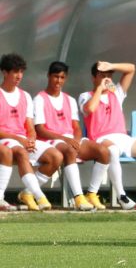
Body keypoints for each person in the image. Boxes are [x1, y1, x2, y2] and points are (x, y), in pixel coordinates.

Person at [79, 61, 136, 210]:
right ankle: (122, 196)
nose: (106, 79)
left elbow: (131, 68)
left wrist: (111, 66)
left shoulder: (116, 93)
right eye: (102, 76)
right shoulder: (86, 96)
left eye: (109, 76)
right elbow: (90, 109)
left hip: (123, 137)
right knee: (112, 151)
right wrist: (99, 88)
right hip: (101, 139)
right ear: (94, 78)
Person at [34, 61, 111, 211]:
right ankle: (78, 198)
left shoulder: (69, 99)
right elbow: (40, 130)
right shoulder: (40, 98)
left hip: (69, 139)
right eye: (56, 77)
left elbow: (76, 126)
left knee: (103, 151)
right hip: (51, 141)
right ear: (48, 76)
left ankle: (92, 194)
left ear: (66, 79)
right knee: (69, 150)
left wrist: (75, 139)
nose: (58, 81)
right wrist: (66, 140)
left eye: (62, 77)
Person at [0, 53, 58, 211]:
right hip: (5, 140)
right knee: (20, 151)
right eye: (15, 72)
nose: (19, 76)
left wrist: (31, 139)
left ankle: (27, 194)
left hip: (21, 140)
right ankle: (39, 196)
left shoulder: (25, 96)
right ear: (5, 72)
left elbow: (30, 126)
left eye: (21, 72)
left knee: (55, 156)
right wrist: (20, 140)